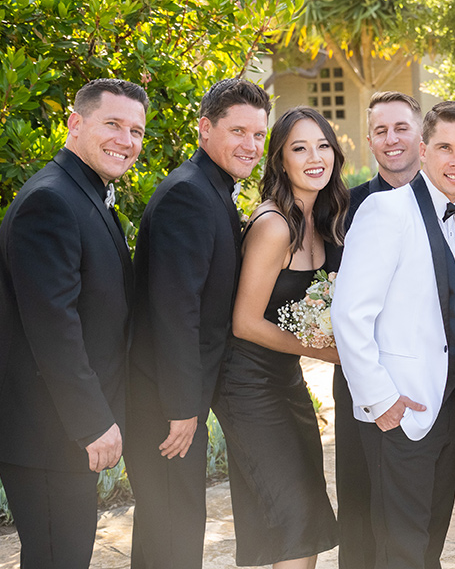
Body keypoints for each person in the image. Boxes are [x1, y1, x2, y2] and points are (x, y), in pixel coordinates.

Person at [0, 79, 147, 568]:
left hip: (55, 428)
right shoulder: (50, 201)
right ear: (75, 123)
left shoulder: (85, 191)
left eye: (135, 131)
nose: (126, 141)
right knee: (58, 559)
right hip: (45, 429)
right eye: (112, 124)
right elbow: (54, 327)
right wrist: (93, 420)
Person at [332, 101, 455, 569]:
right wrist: (381, 399)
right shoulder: (384, 209)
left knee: (429, 542)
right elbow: (349, 314)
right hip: (402, 408)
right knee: (400, 548)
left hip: (450, 406)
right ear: (423, 150)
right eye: (444, 148)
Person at [126, 78, 271, 569]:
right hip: (163, 402)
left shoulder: (212, 188)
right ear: (205, 129)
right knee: (176, 533)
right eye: (238, 132)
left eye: (258, 135)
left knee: (164, 529)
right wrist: (183, 405)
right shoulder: (189, 195)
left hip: (170, 396)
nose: (251, 146)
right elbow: (174, 311)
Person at [211, 107, 344, 568]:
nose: (315, 157)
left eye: (323, 145)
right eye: (299, 147)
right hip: (246, 386)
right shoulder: (273, 225)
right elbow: (244, 322)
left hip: (285, 382)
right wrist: (326, 352)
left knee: (303, 522)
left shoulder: (324, 221)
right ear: (280, 160)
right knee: (294, 519)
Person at [336, 90, 425, 569]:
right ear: (369, 139)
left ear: (421, 136)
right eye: (381, 130)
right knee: (360, 505)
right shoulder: (347, 206)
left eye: (401, 128)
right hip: (364, 384)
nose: (391, 139)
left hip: (431, 388)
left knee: (417, 519)